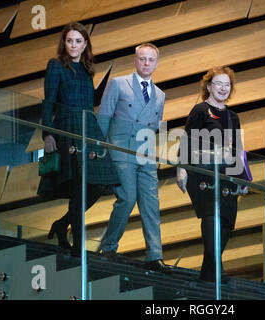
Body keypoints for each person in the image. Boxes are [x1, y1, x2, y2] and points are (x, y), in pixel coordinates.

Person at [37, 22, 118, 257]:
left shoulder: (86, 70)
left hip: (88, 128)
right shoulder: (55, 66)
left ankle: (62, 224)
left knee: (98, 184)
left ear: (85, 45)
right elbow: (49, 101)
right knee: (79, 185)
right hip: (67, 128)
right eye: (70, 40)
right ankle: (78, 249)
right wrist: (48, 133)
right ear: (64, 43)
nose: (73, 45)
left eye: (78, 41)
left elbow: (89, 102)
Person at [97, 43, 172, 273]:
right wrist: (99, 150)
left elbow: (155, 128)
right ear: (135, 60)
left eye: (151, 59)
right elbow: (104, 117)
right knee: (127, 199)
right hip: (121, 149)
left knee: (151, 204)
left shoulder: (160, 95)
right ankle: (108, 246)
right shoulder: (118, 84)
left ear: (157, 63)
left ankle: (155, 255)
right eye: (142, 58)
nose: (146, 63)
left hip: (146, 153)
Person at [176, 66, 247, 283]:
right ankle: (215, 269)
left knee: (227, 221)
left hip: (225, 174)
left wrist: (244, 179)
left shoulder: (233, 116)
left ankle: (208, 272)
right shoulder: (200, 110)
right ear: (208, 86)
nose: (224, 88)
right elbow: (186, 141)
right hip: (202, 173)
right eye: (219, 83)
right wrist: (181, 168)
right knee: (211, 215)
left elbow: (238, 150)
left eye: (227, 84)